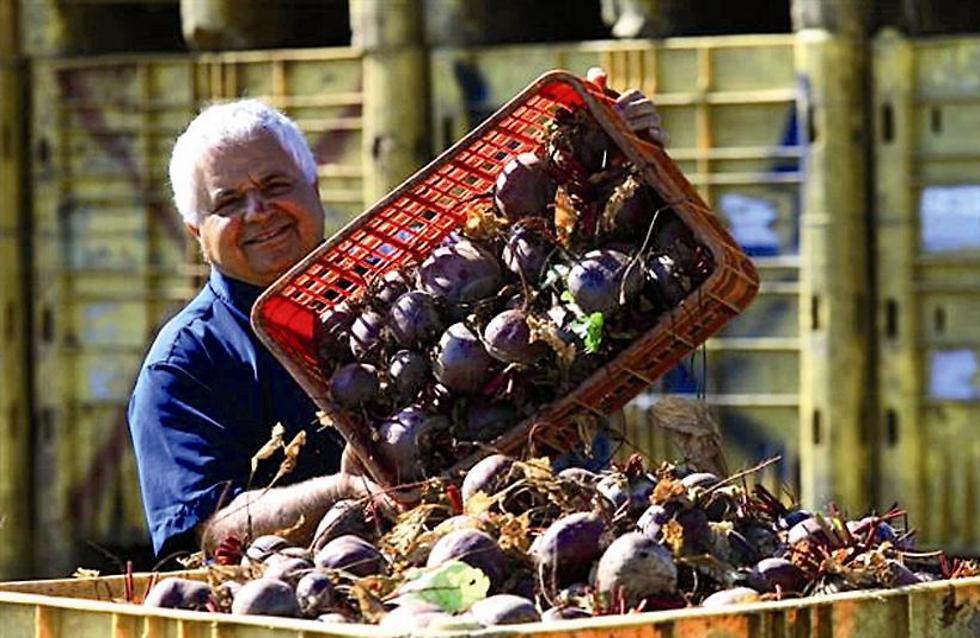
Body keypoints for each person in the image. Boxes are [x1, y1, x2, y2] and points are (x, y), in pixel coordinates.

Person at [128, 68, 665, 560]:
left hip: (528, 553)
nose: (258, 211)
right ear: (196, 232)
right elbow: (204, 530)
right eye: (228, 202)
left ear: (313, 186)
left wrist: (617, 160)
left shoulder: (403, 277)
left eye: (274, 186)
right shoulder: (184, 366)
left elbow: (558, 271)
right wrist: (341, 493)